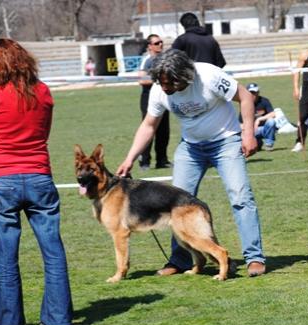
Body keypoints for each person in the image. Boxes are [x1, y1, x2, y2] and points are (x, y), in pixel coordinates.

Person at [116, 49, 266, 277]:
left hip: (225, 141)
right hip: (191, 147)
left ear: (184, 76)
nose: (164, 87)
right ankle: (181, 260)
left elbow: (245, 96)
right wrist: (130, 158)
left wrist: (248, 133)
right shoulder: (159, 90)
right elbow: (149, 125)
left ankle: (254, 258)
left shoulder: (209, 76)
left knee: (240, 197)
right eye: (161, 82)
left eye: (169, 83)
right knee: (175, 205)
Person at [0, 38, 73, 325]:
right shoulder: (43, 91)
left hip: (2, 178)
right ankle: (58, 319)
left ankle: (10, 324)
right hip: (38, 175)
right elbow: (43, 133)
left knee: (5, 256)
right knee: (53, 251)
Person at [138, 34, 171, 170]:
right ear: (150, 46)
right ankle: (144, 161)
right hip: (148, 98)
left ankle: (162, 160)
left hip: (164, 97)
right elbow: (141, 79)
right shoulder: (147, 60)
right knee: (149, 128)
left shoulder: (165, 58)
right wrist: (159, 79)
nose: (160, 45)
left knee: (164, 131)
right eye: (157, 43)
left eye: (161, 42)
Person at [244, 83, 277, 151]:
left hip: (264, 129)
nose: (253, 95)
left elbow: (273, 114)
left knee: (271, 121)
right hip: (251, 131)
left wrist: (259, 119)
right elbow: (241, 123)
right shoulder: (245, 104)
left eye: (254, 92)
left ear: (258, 92)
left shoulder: (264, 101)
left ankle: (269, 144)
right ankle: (258, 142)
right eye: (251, 92)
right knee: (256, 148)